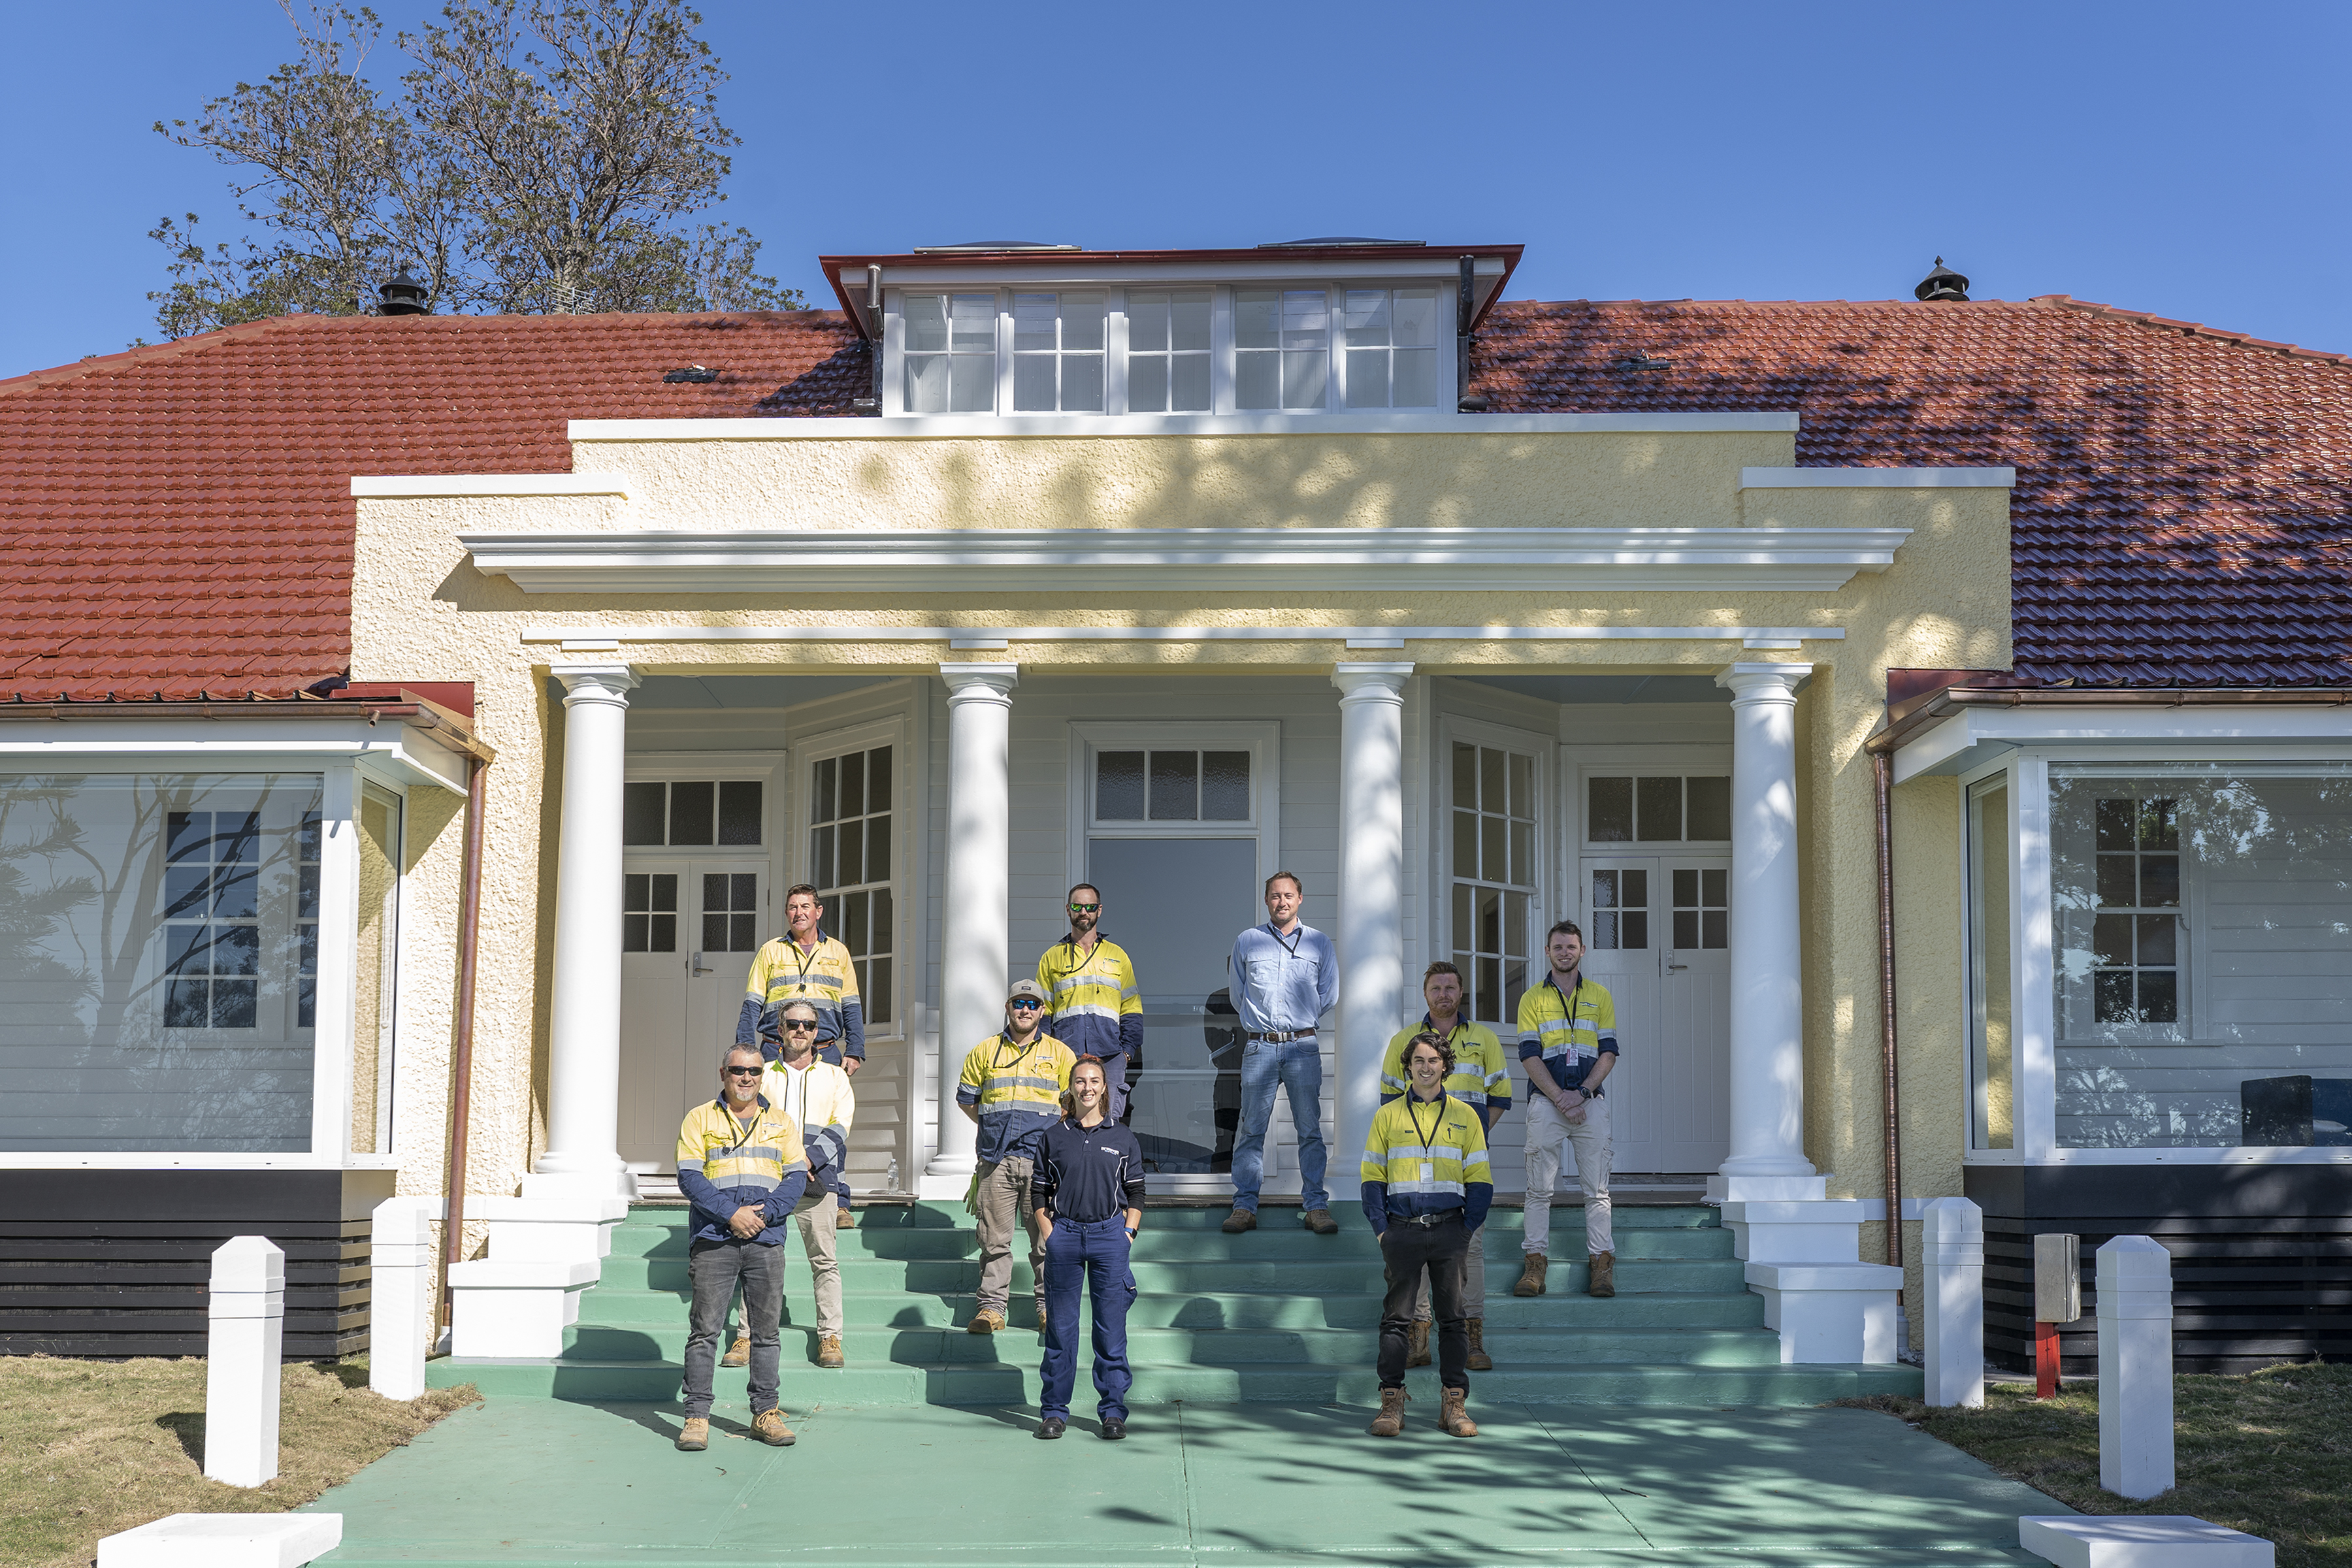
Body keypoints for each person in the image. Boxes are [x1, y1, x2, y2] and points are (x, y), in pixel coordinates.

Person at [674, 1043, 809, 1452]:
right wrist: (733, 1214)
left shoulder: (782, 1122)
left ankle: (765, 1413)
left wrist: (763, 1215)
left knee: (766, 1334)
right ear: (723, 1073)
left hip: (765, 1239)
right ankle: (697, 1416)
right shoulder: (699, 1118)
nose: (745, 1078)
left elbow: (796, 1177)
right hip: (715, 1239)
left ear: (761, 1075)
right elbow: (690, 1179)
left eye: (752, 1071)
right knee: (705, 1332)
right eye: (737, 1070)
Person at [1379, 960, 1511, 1371]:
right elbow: (1389, 1105)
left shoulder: (1485, 1039)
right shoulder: (1404, 1041)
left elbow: (1500, 1098)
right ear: (1425, 994)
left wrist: (1465, 1137)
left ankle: (1472, 1337)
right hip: (1413, 1174)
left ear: (1460, 992)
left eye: (1450, 987)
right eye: (1436, 988)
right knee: (1415, 1253)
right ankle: (1419, 1336)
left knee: (1469, 1250)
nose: (1443, 994)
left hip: (1465, 1171)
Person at [1360, 1030, 1491, 1439]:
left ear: (1445, 1066)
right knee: (1397, 1320)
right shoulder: (1388, 1116)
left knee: (1454, 1320)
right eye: (1418, 1060)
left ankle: (1453, 1402)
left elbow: (1481, 1180)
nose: (1425, 1067)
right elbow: (1371, 1178)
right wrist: (1383, 1231)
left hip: (1451, 1230)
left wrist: (1466, 1230)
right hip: (1401, 1230)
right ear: (1408, 1067)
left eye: (1433, 1060)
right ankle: (1391, 1401)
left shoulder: (1466, 1116)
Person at [721, 1001, 855, 1372]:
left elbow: (841, 1125)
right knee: (757, 1258)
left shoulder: (835, 1077)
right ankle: (746, 1336)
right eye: (793, 1024)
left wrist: (808, 1160)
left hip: (818, 1180)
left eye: (808, 1025)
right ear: (779, 1031)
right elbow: (753, 1118)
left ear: (818, 1032)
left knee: (824, 1261)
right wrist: (788, 1163)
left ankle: (831, 1336)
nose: (801, 1030)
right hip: (770, 1180)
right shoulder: (764, 1075)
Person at [1029, 1056, 1145, 1440]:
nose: (1087, 1087)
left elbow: (1137, 1192)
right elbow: (1040, 1190)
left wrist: (1127, 1234)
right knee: (1061, 1331)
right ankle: (1054, 1412)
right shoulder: (1054, 1136)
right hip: (1065, 1237)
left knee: (1110, 1331)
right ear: (1071, 1087)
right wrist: (1051, 1233)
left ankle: (1112, 1412)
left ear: (1104, 1087)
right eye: (1080, 1081)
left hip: (1110, 1237)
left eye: (1095, 1080)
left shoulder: (1122, 1136)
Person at [739, 884, 866, 1227]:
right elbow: (752, 1004)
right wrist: (745, 1050)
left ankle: (837, 1201)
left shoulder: (838, 952)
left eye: (806, 906)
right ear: (786, 913)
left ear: (818, 911)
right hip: (772, 1048)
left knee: (829, 1122)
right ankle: (761, 1190)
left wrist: (855, 1049)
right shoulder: (770, 951)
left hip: (824, 1049)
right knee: (765, 1121)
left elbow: (851, 1005)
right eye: (793, 907)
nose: (799, 913)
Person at [956, 979, 1077, 1335]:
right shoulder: (985, 1051)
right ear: (1007, 1008)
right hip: (997, 1161)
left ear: (1042, 1011)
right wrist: (997, 1129)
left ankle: (1047, 1307)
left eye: (1032, 1004)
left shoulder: (1059, 1054)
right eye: (1018, 1003)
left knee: (1046, 1241)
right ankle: (992, 1309)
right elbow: (967, 1100)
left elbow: (1071, 1106)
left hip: (1044, 1165)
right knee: (994, 1240)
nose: (1025, 1010)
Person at [1224, 871, 1339, 1236]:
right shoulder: (1248, 941)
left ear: (1300, 899)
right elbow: (1237, 994)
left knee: (1309, 1129)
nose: (1282, 902)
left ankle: (1316, 1207)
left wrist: (1299, 1023)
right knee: (1251, 1129)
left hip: (1303, 1046)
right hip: (1260, 1046)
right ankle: (1244, 1207)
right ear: (1266, 900)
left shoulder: (1319, 944)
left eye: (1288, 896)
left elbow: (1329, 994)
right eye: (1275, 896)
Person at [1514, 920, 1620, 1299]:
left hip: (1590, 1104)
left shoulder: (1600, 995)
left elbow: (1608, 1053)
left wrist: (1583, 1094)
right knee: (1538, 1190)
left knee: (1598, 1191)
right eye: (1557, 947)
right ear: (1548, 952)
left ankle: (1602, 1267)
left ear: (1582, 951)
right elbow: (1528, 1055)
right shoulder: (1532, 999)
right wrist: (1561, 1097)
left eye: (1571, 947)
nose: (1564, 953)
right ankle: (1535, 1265)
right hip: (1547, 1103)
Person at [1035, 883, 1145, 1122]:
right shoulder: (1052, 957)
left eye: (1090, 907)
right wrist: (1048, 1053)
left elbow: (1132, 1009)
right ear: (1068, 910)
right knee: (1065, 1119)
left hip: (1110, 1054)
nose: (1083, 912)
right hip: (1066, 1053)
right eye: (1077, 906)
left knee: (1110, 1123)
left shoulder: (1118, 956)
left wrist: (1126, 1052)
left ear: (1099, 910)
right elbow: (1043, 1013)